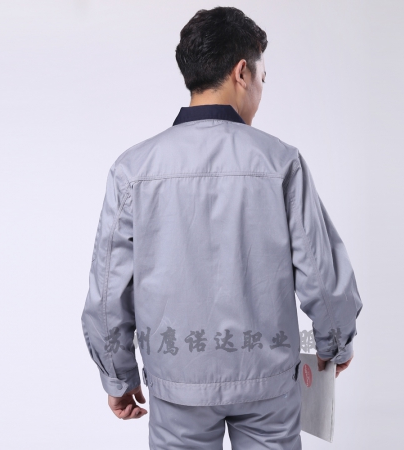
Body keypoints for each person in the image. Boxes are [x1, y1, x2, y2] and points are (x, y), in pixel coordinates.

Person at [80, 6, 363, 449]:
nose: (261, 90)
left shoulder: (133, 170)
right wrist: (334, 344)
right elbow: (322, 278)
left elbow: (108, 291)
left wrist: (117, 374)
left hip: (178, 383)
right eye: (263, 78)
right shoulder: (280, 162)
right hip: (268, 382)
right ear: (241, 73)